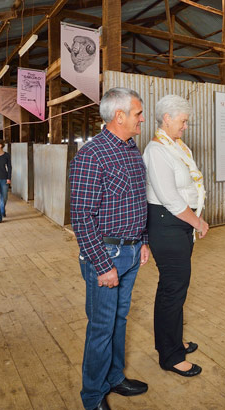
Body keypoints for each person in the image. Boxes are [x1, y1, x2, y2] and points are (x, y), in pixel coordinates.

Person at [69, 87, 150, 410]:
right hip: (106, 255)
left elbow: (136, 201)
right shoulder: (92, 155)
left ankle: (114, 377)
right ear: (120, 116)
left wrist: (142, 241)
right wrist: (102, 266)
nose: (142, 119)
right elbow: (82, 217)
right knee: (101, 327)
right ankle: (92, 396)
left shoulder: (131, 149)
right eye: (138, 113)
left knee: (119, 319)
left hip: (131, 251)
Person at [143, 95, 208, 378]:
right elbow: (169, 197)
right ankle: (170, 356)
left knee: (175, 288)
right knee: (173, 290)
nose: (185, 126)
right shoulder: (157, 151)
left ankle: (172, 340)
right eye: (182, 121)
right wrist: (198, 222)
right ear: (167, 118)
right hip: (167, 224)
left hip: (177, 225)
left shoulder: (176, 147)